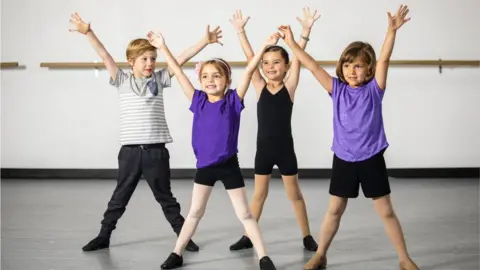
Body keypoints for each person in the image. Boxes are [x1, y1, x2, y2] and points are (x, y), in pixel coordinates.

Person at [278, 5, 420, 270]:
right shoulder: (336, 89)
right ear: (341, 68)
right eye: (347, 65)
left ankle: (403, 258)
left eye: (359, 66)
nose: (352, 71)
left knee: (386, 211)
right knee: (334, 210)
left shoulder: (375, 90)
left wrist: (391, 32)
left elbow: (385, 59)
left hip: (371, 157)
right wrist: (291, 42)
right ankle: (320, 254)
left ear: (369, 70)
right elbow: (311, 65)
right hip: (344, 157)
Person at [68, 12, 222, 252]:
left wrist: (205, 41)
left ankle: (184, 237)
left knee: (166, 198)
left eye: (152, 58)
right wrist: (88, 32)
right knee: (120, 197)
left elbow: (180, 58)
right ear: (131, 61)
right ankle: (104, 235)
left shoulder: (159, 79)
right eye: (144, 59)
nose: (150, 63)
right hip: (129, 152)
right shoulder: (121, 79)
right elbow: (104, 54)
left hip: (156, 152)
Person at [146, 29, 280, 270]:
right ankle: (177, 252)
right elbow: (176, 70)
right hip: (205, 167)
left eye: (216, 76)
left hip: (229, 166)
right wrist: (163, 47)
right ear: (200, 81)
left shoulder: (233, 100)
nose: (210, 80)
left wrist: (263, 46)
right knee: (195, 211)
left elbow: (250, 70)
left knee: (245, 214)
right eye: (205, 76)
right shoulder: (197, 100)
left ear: (227, 80)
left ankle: (263, 256)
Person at [227, 8, 321, 252]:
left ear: (286, 66)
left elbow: (299, 57)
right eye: (266, 63)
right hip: (264, 151)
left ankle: (307, 236)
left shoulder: (289, 86)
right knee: (258, 196)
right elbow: (251, 58)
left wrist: (305, 32)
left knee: (295, 195)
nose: (270, 67)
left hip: (285, 150)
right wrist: (240, 31)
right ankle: (248, 236)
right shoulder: (259, 85)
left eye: (276, 62)